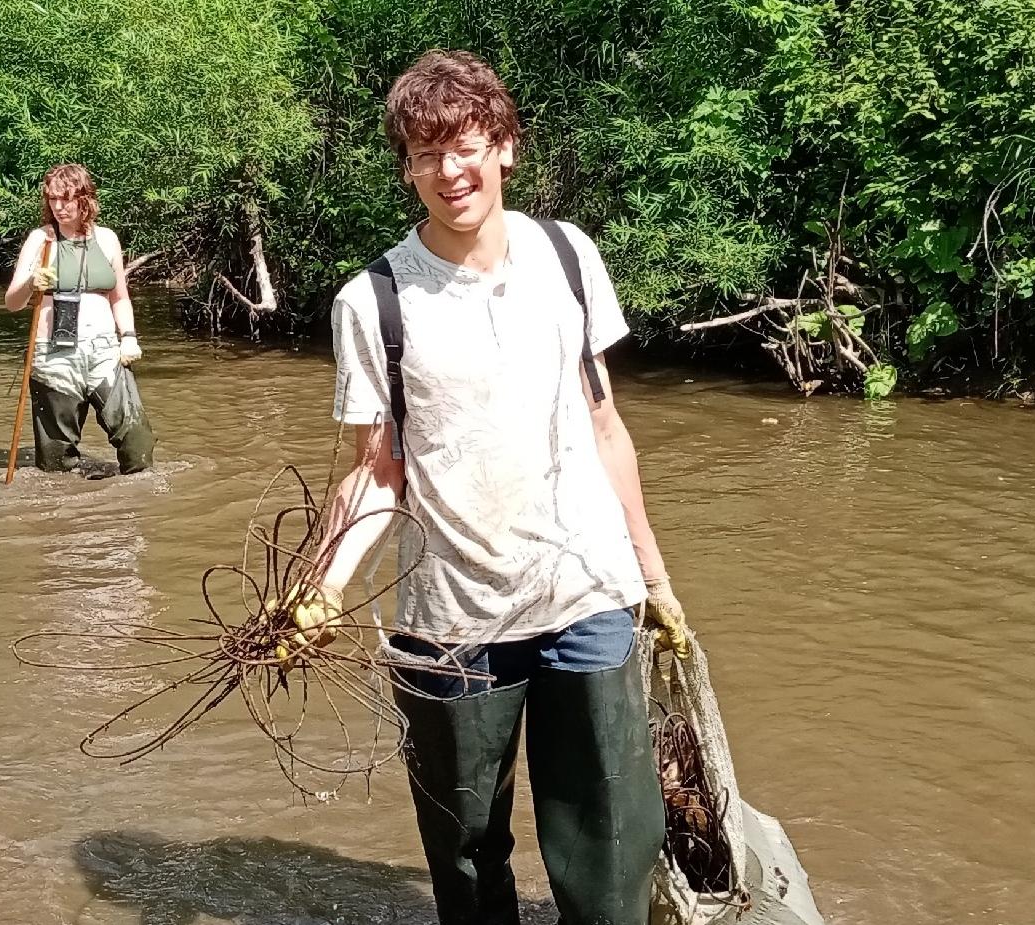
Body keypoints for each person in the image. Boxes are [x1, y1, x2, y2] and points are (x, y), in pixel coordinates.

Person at [278, 50, 693, 925]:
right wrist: (319, 592)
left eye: (464, 144)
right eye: (425, 154)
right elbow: (371, 472)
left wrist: (652, 578)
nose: (448, 170)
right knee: (466, 860)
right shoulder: (375, 301)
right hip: (450, 625)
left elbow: (605, 424)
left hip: (587, 596)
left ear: (505, 145)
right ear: (407, 170)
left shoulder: (569, 256)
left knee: (613, 853)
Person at [2, 164, 155, 475]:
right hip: (54, 354)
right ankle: (64, 514)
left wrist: (129, 336)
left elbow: (120, 297)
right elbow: (12, 302)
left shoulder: (108, 239)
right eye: (52, 200)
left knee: (136, 440)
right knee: (56, 461)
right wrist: (32, 281)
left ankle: (133, 503)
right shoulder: (40, 240)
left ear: (86, 199)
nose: (58, 207)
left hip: (104, 350)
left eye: (66, 199)